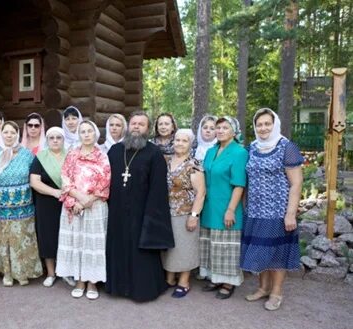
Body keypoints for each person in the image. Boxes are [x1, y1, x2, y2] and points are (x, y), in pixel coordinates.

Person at [105, 111, 174, 302]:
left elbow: (159, 188)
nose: (136, 126)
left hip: (142, 211)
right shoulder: (114, 151)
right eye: (133, 123)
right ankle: (118, 287)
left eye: (141, 124)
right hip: (117, 211)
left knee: (140, 252)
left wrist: (152, 216)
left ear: (148, 129)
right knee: (118, 247)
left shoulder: (154, 153)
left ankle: (142, 289)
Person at [240, 108, 303, 311]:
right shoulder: (252, 148)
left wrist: (290, 213)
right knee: (260, 250)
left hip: (278, 212)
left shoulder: (286, 147)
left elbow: (296, 183)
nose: (263, 128)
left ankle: (276, 292)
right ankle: (263, 288)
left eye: (267, 124)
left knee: (276, 254)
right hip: (255, 211)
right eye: (259, 124)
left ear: (275, 125)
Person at [56, 120, 110, 300]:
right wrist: (78, 199)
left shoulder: (102, 156)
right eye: (83, 132)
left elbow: (105, 182)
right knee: (76, 242)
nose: (86, 134)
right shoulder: (71, 155)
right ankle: (79, 279)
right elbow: (65, 179)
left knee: (92, 245)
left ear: (95, 134)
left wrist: (87, 200)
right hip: (74, 206)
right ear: (79, 135)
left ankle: (92, 281)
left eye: (89, 131)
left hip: (95, 206)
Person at [0, 121, 43, 286]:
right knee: (3, 238)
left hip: (23, 206)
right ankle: (6, 272)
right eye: (6, 132)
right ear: (1, 134)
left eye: (12, 132)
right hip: (0, 206)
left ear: (17, 134)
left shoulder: (27, 155)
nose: (9, 135)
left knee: (21, 238)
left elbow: (35, 177)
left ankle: (22, 272)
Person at [199, 116, 248, 299]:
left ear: (234, 132)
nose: (219, 131)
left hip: (227, 205)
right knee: (212, 243)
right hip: (210, 205)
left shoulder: (239, 152)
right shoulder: (212, 151)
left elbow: (239, 184)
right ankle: (215, 277)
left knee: (227, 246)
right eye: (218, 128)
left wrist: (230, 209)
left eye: (224, 128)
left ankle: (228, 281)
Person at [161, 129, 206, 298]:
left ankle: (184, 282)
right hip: (166, 212)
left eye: (184, 141)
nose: (179, 143)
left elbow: (201, 193)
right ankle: (169, 279)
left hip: (185, 213)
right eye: (177, 140)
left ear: (190, 144)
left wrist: (194, 216)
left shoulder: (194, 164)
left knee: (184, 248)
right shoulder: (166, 161)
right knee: (170, 248)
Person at [29, 127, 66, 287]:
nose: (55, 140)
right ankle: (51, 273)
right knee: (48, 237)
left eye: (59, 137)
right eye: (52, 138)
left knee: (65, 237)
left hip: (67, 203)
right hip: (46, 203)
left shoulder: (71, 156)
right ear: (47, 140)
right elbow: (34, 182)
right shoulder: (40, 157)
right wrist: (55, 192)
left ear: (63, 140)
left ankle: (65, 272)